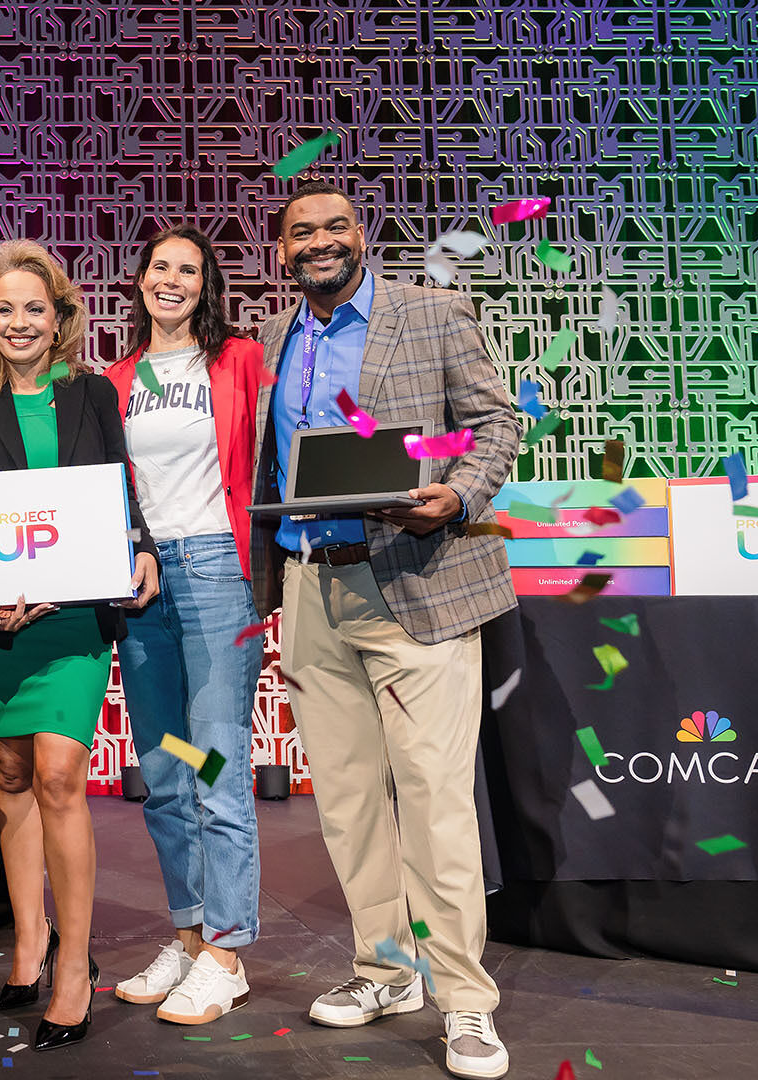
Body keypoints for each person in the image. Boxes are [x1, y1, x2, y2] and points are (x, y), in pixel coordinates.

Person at [249, 180, 520, 1080]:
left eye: (335, 226)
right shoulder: (279, 339)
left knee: (436, 802)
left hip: (417, 584)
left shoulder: (431, 313)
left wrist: (458, 495)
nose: (319, 242)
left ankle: (467, 1002)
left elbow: (495, 424)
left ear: (361, 236)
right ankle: (386, 969)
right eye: (301, 232)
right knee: (352, 802)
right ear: (280, 250)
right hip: (311, 587)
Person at [0, 239, 161, 1052]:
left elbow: (117, 487)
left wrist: (141, 546)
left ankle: (74, 967)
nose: (21, 322)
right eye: (6, 311)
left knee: (61, 774)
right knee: (10, 776)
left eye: (36, 308)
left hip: (71, 615)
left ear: (60, 317)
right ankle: (28, 944)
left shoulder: (92, 392)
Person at [101, 225, 265, 1024]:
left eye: (188, 270)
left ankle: (228, 951)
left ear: (206, 286)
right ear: (140, 281)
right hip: (142, 579)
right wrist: (131, 547)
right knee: (168, 771)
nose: (172, 280)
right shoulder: (117, 377)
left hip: (213, 577)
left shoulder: (238, 360)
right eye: (160, 267)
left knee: (216, 768)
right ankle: (191, 934)